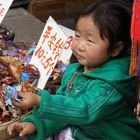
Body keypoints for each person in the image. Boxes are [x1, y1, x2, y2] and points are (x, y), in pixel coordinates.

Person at [7, 0, 140, 139]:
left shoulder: (111, 86)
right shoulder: (75, 71)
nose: (80, 45)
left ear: (115, 49)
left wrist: (40, 101)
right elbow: (63, 108)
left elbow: (82, 110)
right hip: (82, 130)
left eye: (90, 40)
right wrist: (35, 124)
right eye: (77, 36)